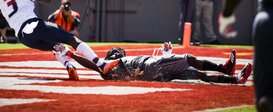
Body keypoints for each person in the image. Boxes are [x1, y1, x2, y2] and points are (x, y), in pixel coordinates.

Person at [0, 0, 119, 80]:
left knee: (57, 47)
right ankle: (101, 65)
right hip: (33, 26)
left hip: (24, 38)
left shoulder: (0, 2)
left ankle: (69, 66)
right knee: (71, 39)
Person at [65, 43, 251, 84]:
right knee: (189, 59)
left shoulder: (105, 72)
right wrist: (70, 52)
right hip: (151, 66)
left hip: (153, 76)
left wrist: (71, 55)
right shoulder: (110, 63)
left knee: (197, 74)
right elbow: (93, 63)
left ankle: (235, 80)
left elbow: (90, 65)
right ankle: (224, 68)